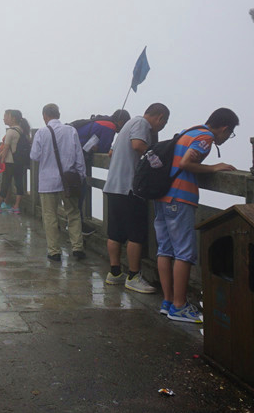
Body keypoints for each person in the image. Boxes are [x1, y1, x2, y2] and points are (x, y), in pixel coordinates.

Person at [155, 107, 238, 324]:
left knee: (165, 249)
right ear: (224, 128)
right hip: (180, 199)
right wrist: (213, 168)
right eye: (229, 134)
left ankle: (168, 302)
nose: (227, 138)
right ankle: (180, 306)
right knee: (184, 253)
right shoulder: (205, 137)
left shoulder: (190, 131)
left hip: (162, 196)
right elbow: (186, 163)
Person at [102, 103, 170, 293]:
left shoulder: (129, 123)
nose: (162, 127)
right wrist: (157, 159)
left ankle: (115, 273)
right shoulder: (142, 124)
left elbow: (111, 152)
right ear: (160, 117)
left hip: (114, 185)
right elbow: (138, 145)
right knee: (136, 234)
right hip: (129, 188)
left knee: (114, 232)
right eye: (163, 123)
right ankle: (133, 275)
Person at [29, 103, 86, 261]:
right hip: (69, 180)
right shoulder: (71, 130)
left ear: (45, 116)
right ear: (58, 114)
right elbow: (79, 156)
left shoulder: (41, 132)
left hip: (47, 182)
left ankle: (54, 251)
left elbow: (34, 156)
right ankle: (77, 248)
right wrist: (81, 176)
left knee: (50, 216)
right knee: (73, 213)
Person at [0, 109, 30, 215]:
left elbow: (5, 149)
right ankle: (16, 206)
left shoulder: (10, 132)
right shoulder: (22, 130)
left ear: (13, 118)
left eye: (6, 116)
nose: (4, 118)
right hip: (19, 161)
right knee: (19, 183)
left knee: (5, 184)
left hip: (10, 162)